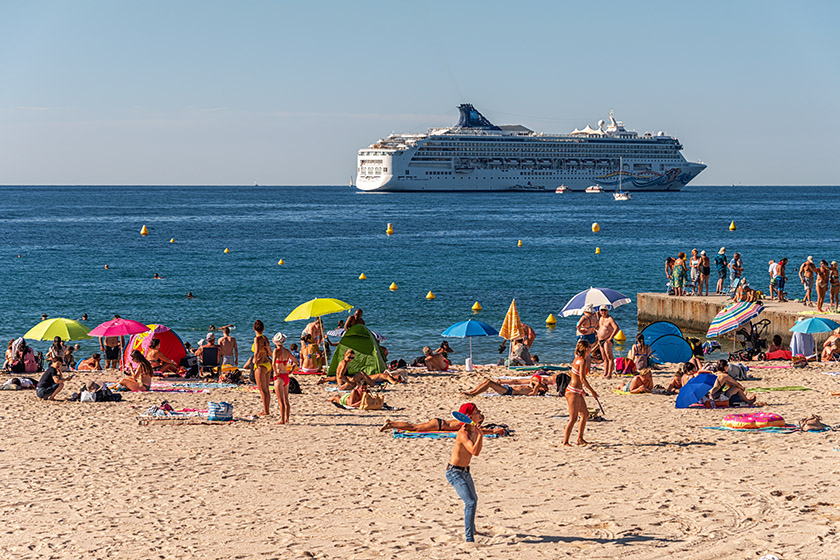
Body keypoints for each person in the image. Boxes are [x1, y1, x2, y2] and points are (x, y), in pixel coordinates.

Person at [446, 403, 484, 543]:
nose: (480, 412)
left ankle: (472, 529)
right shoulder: (463, 433)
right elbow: (474, 451)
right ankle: (469, 538)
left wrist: (492, 432)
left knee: (474, 500)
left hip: (465, 472)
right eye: (476, 411)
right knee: (470, 502)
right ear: (469, 416)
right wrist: (481, 436)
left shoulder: (474, 429)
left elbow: (477, 449)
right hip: (454, 472)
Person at [563, 340, 598, 446]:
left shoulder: (578, 358)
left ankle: (580, 439)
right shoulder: (581, 361)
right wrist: (592, 391)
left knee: (585, 414)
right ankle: (565, 442)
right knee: (573, 418)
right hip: (572, 391)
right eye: (589, 347)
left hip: (577, 391)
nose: (591, 349)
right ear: (586, 349)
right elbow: (582, 379)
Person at [380, 416, 505, 435]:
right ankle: (391, 424)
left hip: (439, 422)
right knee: (414, 428)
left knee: (414, 426)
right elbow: (480, 431)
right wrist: (494, 431)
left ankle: (392, 423)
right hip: (438, 426)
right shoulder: (468, 422)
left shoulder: (466, 420)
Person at [271, 333, 297, 425]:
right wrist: (291, 371)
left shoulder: (276, 351)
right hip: (286, 376)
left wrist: (275, 372)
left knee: (280, 400)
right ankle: (287, 419)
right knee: (286, 399)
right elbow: (295, 362)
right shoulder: (287, 351)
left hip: (279, 376)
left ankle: (282, 420)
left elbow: (273, 363)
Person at [252, 320, 272, 416]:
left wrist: (254, 360)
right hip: (267, 363)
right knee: (266, 389)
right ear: (263, 329)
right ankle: (266, 409)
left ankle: (265, 411)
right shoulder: (266, 338)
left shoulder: (257, 339)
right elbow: (270, 353)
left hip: (260, 365)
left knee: (262, 390)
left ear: (254, 328)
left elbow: (256, 351)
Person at [461, 376, 547, 397]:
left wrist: (541, 385)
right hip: (507, 388)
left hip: (508, 391)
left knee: (489, 382)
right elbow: (534, 380)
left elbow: (536, 386)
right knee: (486, 380)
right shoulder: (532, 387)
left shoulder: (534, 392)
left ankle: (474, 394)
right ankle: (472, 392)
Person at [596, 306, 619, 378]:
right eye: (602, 310)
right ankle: (605, 372)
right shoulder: (600, 318)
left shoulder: (610, 319)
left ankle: (609, 373)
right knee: (604, 357)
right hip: (600, 340)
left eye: (605, 310)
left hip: (607, 340)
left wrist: (610, 338)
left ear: (607, 311)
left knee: (609, 357)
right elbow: (600, 328)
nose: (603, 312)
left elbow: (616, 328)